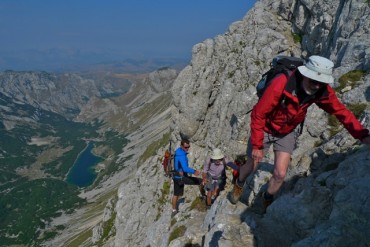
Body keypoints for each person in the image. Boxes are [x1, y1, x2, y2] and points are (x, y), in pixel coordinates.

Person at [229, 55, 370, 211]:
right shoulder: (280, 84)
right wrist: (257, 145)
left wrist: (362, 135)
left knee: (280, 174)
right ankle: (239, 182)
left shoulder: (321, 91)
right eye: (313, 81)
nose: (316, 86)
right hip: (265, 128)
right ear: (304, 74)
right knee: (252, 165)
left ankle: (267, 200)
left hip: (287, 131)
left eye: (321, 82)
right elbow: (258, 114)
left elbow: (341, 112)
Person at [171, 138, 203, 217]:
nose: (187, 148)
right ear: (181, 146)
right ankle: (204, 198)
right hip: (181, 178)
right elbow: (185, 168)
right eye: (186, 147)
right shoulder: (181, 155)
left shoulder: (178, 151)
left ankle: (174, 210)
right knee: (200, 181)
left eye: (188, 147)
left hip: (176, 176)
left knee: (176, 194)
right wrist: (194, 171)